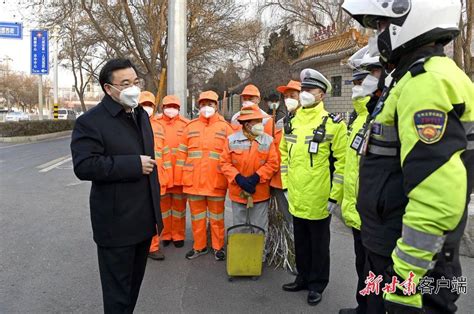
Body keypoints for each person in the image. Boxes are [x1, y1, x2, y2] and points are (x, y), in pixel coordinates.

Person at [342, 0, 474, 312]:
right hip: (395, 245)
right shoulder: (413, 78)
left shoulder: (426, 83)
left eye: (383, 26)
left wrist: (405, 279)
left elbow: (436, 196)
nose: (379, 35)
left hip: (408, 263)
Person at [71, 58, 163, 313]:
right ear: (108, 89)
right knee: (117, 296)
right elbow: (85, 166)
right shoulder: (90, 122)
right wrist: (132, 165)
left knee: (132, 289)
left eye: (135, 82)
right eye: (125, 83)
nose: (133, 88)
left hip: (143, 220)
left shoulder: (140, 114)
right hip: (116, 224)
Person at [280, 69, 347, 306]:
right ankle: (303, 277)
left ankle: (317, 284)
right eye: (303, 90)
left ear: (322, 95)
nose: (304, 94)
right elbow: (284, 157)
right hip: (296, 195)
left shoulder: (333, 124)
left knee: (319, 245)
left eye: (310, 90)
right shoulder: (291, 122)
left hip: (319, 197)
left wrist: (334, 197)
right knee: (301, 241)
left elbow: (342, 163)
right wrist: (286, 187)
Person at [339, 46, 384, 314]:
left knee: (375, 270)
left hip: (375, 214)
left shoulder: (382, 115)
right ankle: (362, 306)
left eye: (366, 77)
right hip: (358, 211)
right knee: (362, 265)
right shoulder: (359, 119)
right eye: (356, 81)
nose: (358, 86)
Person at [175, 90, 234, 261]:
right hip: (193, 182)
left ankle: (217, 247)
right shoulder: (190, 127)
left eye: (210, 104)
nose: (206, 107)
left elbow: (231, 156)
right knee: (197, 217)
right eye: (203, 104)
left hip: (216, 181)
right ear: (198, 105)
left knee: (217, 217)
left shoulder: (225, 128)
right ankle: (199, 246)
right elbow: (181, 155)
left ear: (216, 106)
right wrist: (180, 178)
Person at [220, 104, 279, 240]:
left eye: (260, 120)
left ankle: (259, 256)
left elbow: (273, 163)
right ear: (246, 124)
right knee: (240, 228)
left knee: (259, 228)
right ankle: (241, 255)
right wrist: (238, 178)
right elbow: (224, 163)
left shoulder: (268, 140)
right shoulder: (231, 140)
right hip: (238, 192)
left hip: (260, 193)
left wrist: (257, 177)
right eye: (256, 121)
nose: (260, 124)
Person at [153, 95, 190, 248]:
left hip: (180, 173)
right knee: (164, 208)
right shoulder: (155, 124)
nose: (171, 109)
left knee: (179, 208)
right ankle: (166, 235)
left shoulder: (186, 125)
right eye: (168, 106)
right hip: (162, 174)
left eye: (174, 107)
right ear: (162, 108)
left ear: (179, 109)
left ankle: (178, 235)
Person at [139, 91, 172, 261]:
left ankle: (153, 247)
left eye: (150, 105)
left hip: (156, 178)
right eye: (144, 104)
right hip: (137, 177)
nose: (147, 108)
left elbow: (165, 155)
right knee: (137, 213)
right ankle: (137, 246)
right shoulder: (131, 124)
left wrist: (165, 179)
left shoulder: (159, 127)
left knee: (154, 214)